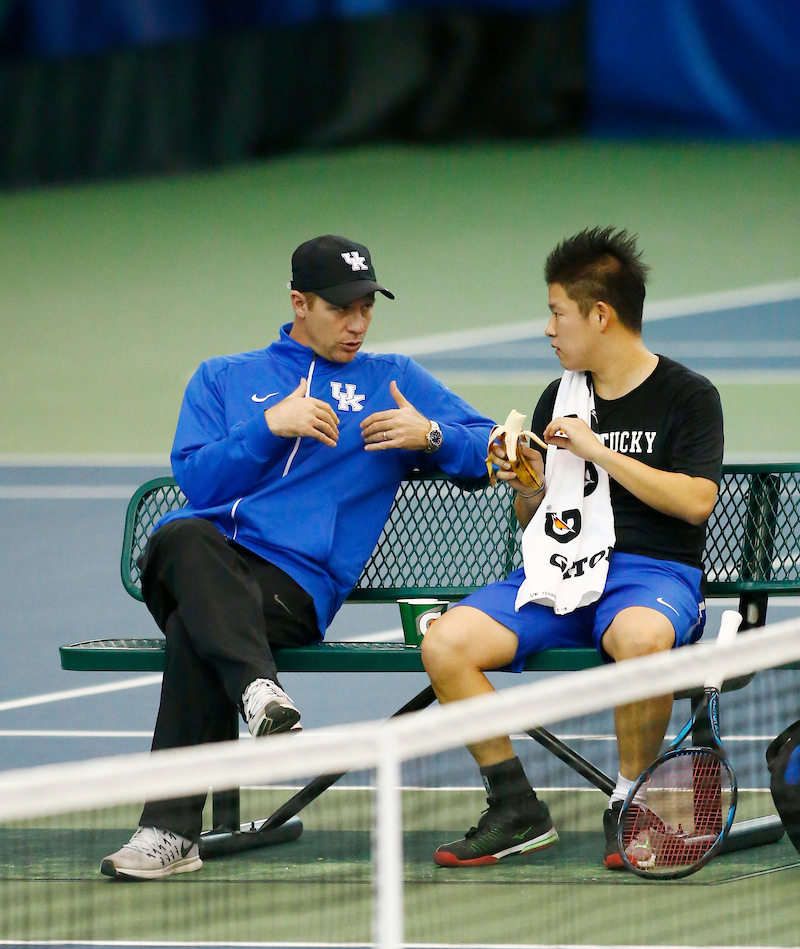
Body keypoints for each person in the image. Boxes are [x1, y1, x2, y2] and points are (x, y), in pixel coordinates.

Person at [101, 234, 495, 880]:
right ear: (299, 304)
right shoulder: (223, 377)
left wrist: (432, 435)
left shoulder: (391, 380)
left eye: (367, 307)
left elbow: (494, 450)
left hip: (290, 589)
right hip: (197, 563)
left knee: (196, 630)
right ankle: (256, 690)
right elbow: (196, 482)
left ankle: (170, 831)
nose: (358, 324)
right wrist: (268, 427)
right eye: (341, 309)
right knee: (183, 536)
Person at [421, 227, 723, 869]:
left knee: (641, 640)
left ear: (600, 315)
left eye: (558, 313)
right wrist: (527, 485)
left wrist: (598, 450)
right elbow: (536, 517)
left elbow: (697, 501)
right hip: (557, 573)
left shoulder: (689, 395)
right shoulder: (558, 398)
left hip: (650, 576)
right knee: (445, 644)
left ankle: (629, 803)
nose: (549, 329)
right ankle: (515, 809)